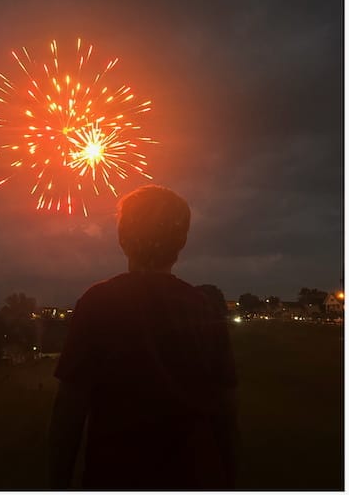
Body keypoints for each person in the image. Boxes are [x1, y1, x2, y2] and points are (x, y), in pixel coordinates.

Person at [48, 185, 237, 490]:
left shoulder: (98, 302)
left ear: (122, 237)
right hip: (195, 476)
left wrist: (57, 482)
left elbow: (69, 408)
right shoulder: (202, 306)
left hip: (116, 476)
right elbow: (226, 407)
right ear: (182, 241)